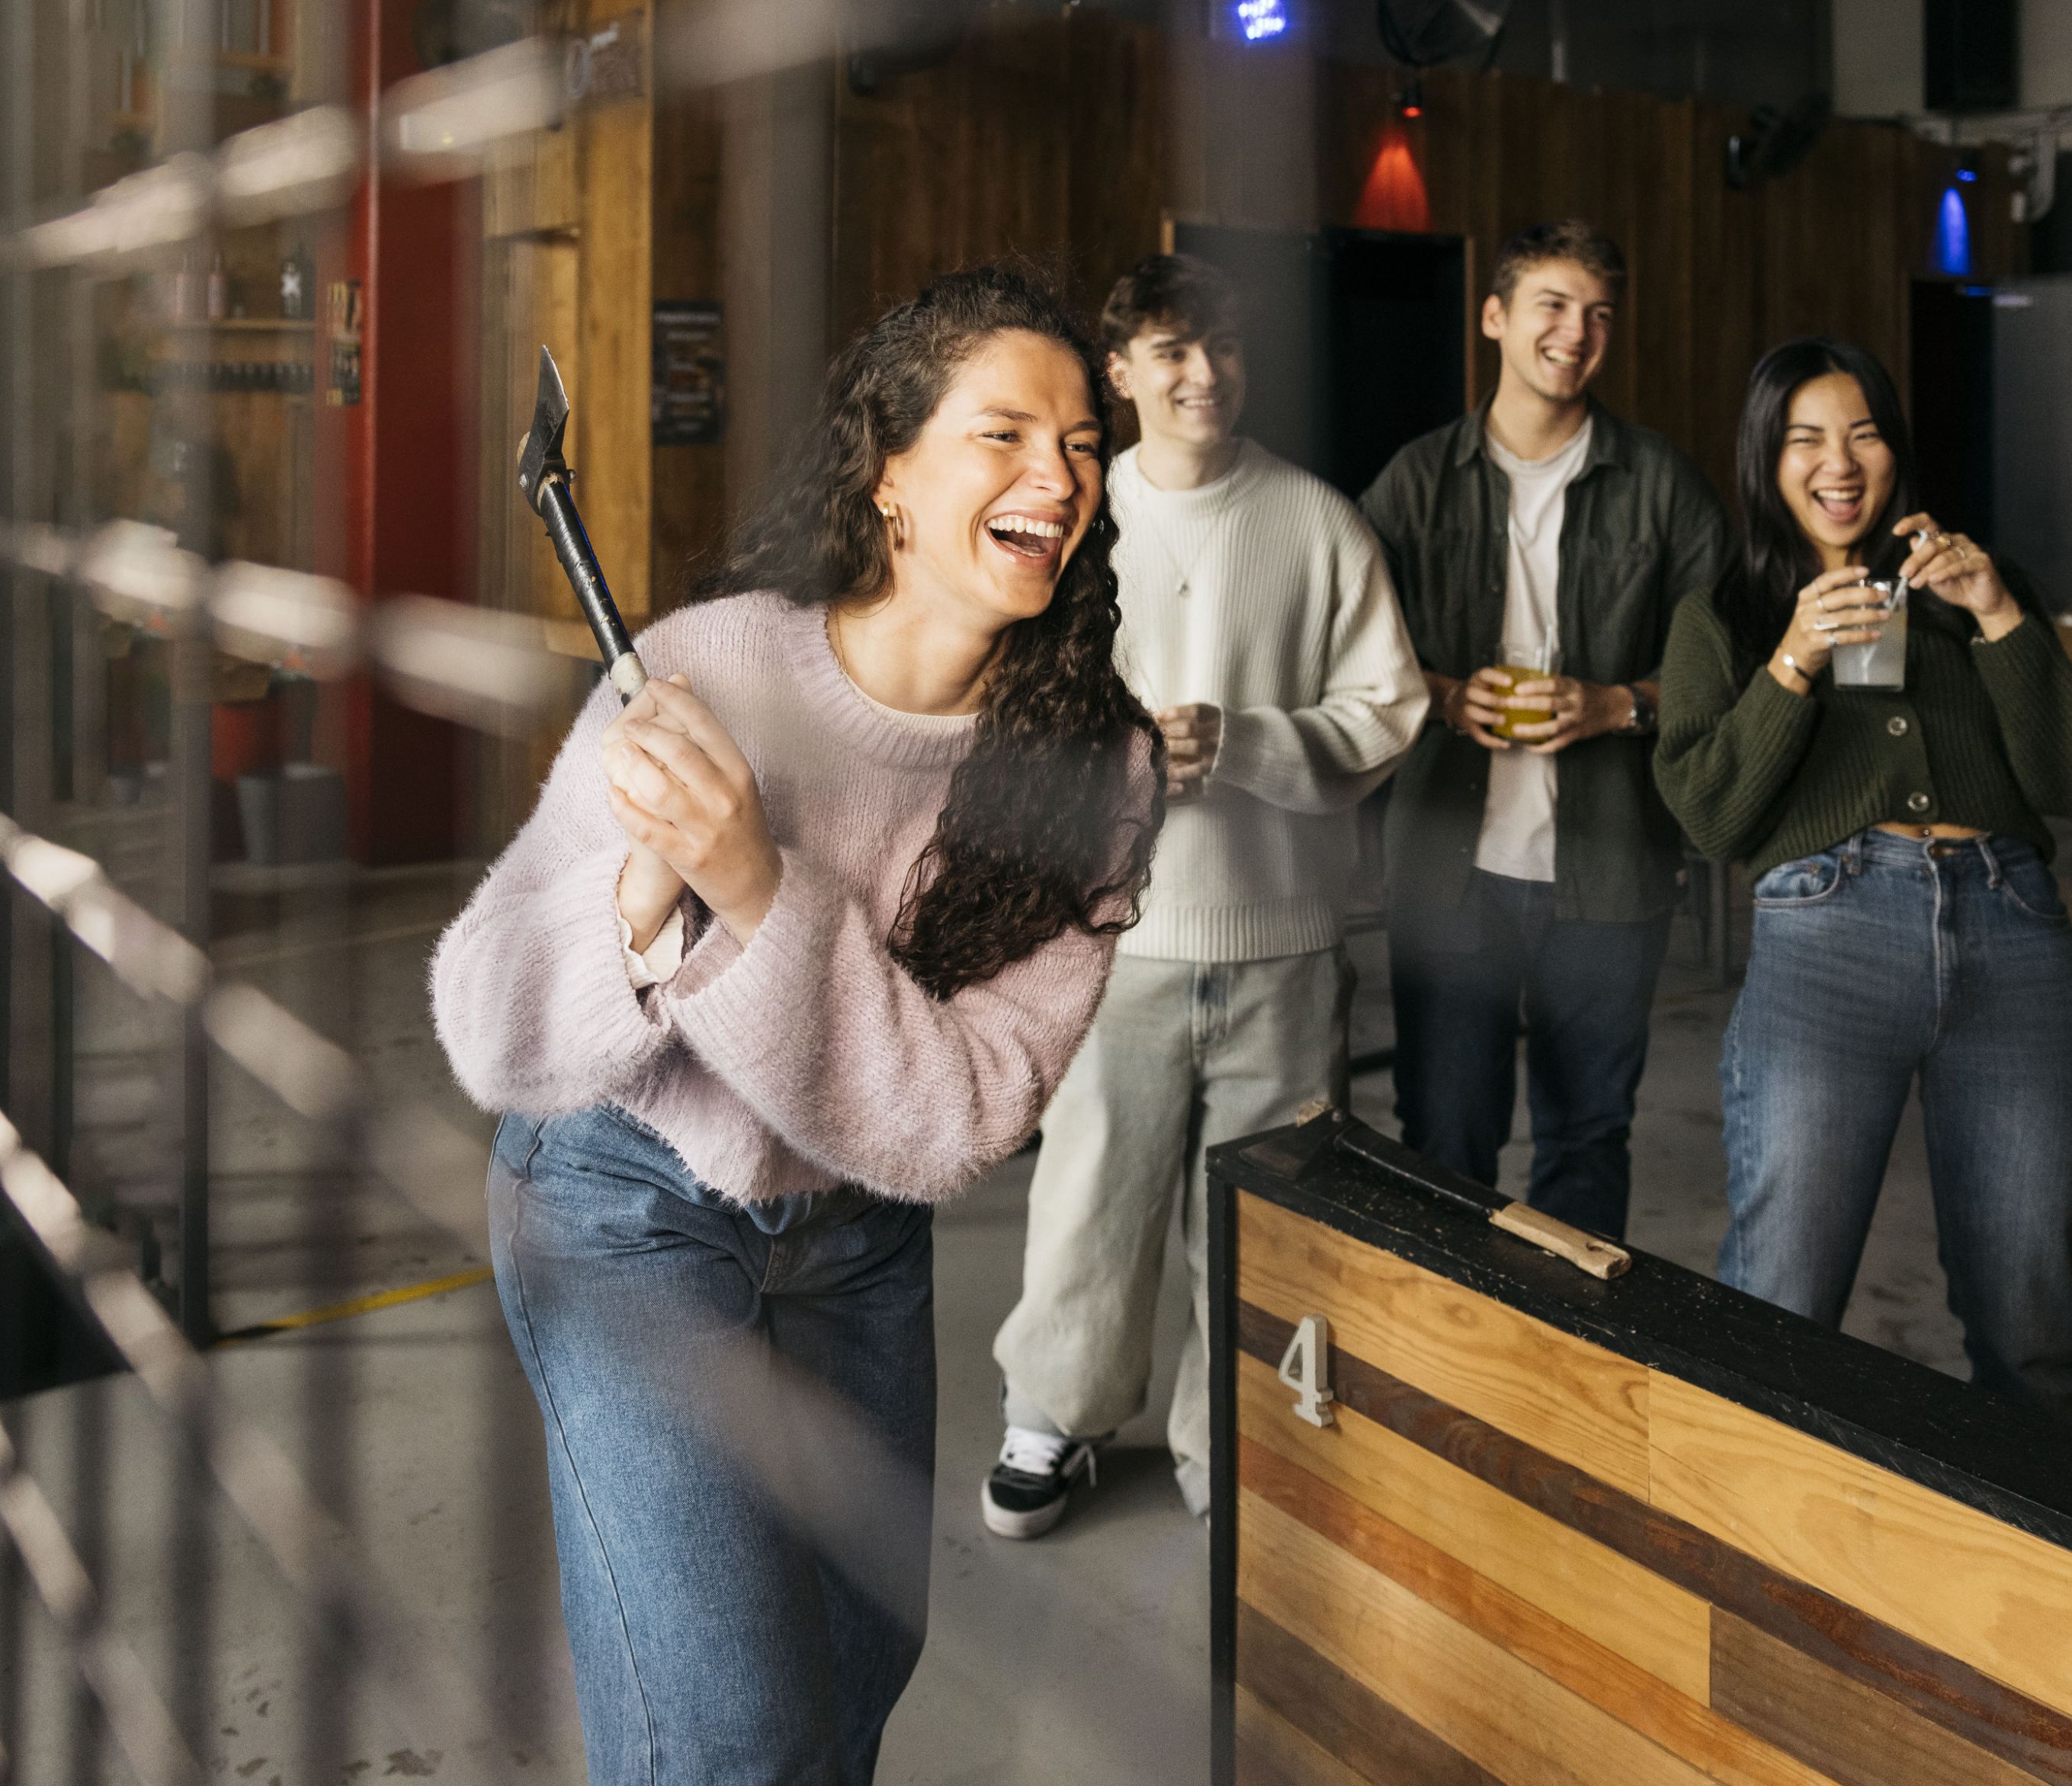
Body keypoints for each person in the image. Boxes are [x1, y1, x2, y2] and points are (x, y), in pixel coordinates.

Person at [431, 265, 1161, 1784]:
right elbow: (493, 1030)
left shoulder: (1094, 770)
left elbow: (962, 1117)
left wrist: (758, 890)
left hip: (857, 1236)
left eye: (1083, 444)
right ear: (889, 471)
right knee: (731, 1739)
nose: (1057, 476)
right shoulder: (714, 666)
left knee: (846, 1686)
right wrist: (649, 883)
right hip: (620, 1207)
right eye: (1004, 433)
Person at [985, 255, 1426, 1536]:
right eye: (1172, 350)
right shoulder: (1067, 519)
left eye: (1224, 346)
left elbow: (1388, 710)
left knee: (1263, 1214)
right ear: (1119, 373)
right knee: (1089, 1197)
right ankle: (1052, 1416)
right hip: (1109, 940)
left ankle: (1231, 1439)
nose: (1203, 373)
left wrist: (1243, 744)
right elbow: (1001, 712)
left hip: (1282, 940)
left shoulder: (1318, 522)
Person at [1652, 336, 2072, 1423]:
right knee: (1781, 1305)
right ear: (1766, 461)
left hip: (2011, 925)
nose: (1839, 463)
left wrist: (1998, 613)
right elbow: (1707, 816)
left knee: (2031, 1328)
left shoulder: (1971, 590)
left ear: (1895, 450)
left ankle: (2027, 1532)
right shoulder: (1722, 617)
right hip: (1827, 936)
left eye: (1863, 434)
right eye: (1805, 440)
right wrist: (1792, 661)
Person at [1358, 218, 1724, 1240]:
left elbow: (1726, 667)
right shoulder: (1415, 480)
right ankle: (1443, 1331)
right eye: (1552, 306)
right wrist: (1440, 695)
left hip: (1610, 870)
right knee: (1444, 1135)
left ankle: (1567, 1336)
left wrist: (1620, 704)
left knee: (1588, 1135)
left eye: (1598, 314)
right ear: (1494, 317)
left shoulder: (1662, 485)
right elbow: (1343, 644)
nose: (1576, 332)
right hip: (1448, 871)